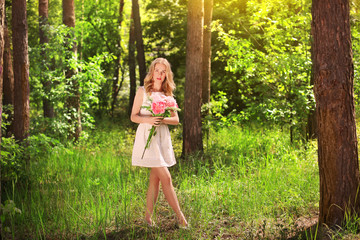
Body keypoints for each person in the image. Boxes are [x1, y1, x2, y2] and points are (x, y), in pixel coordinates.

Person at [130, 58, 188, 228]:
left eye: (163, 71)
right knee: (167, 179)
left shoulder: (167, 95)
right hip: (147, 138)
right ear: (152, 71)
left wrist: (162, 119)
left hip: (161, 137)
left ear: (166, 74)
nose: (160, 74)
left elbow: (175, 119)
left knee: (154, 180)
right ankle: (181, 218)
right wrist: (149, 120)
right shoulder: (142, 91)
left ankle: (148, 219)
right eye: (157, 70)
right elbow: (133, 116)